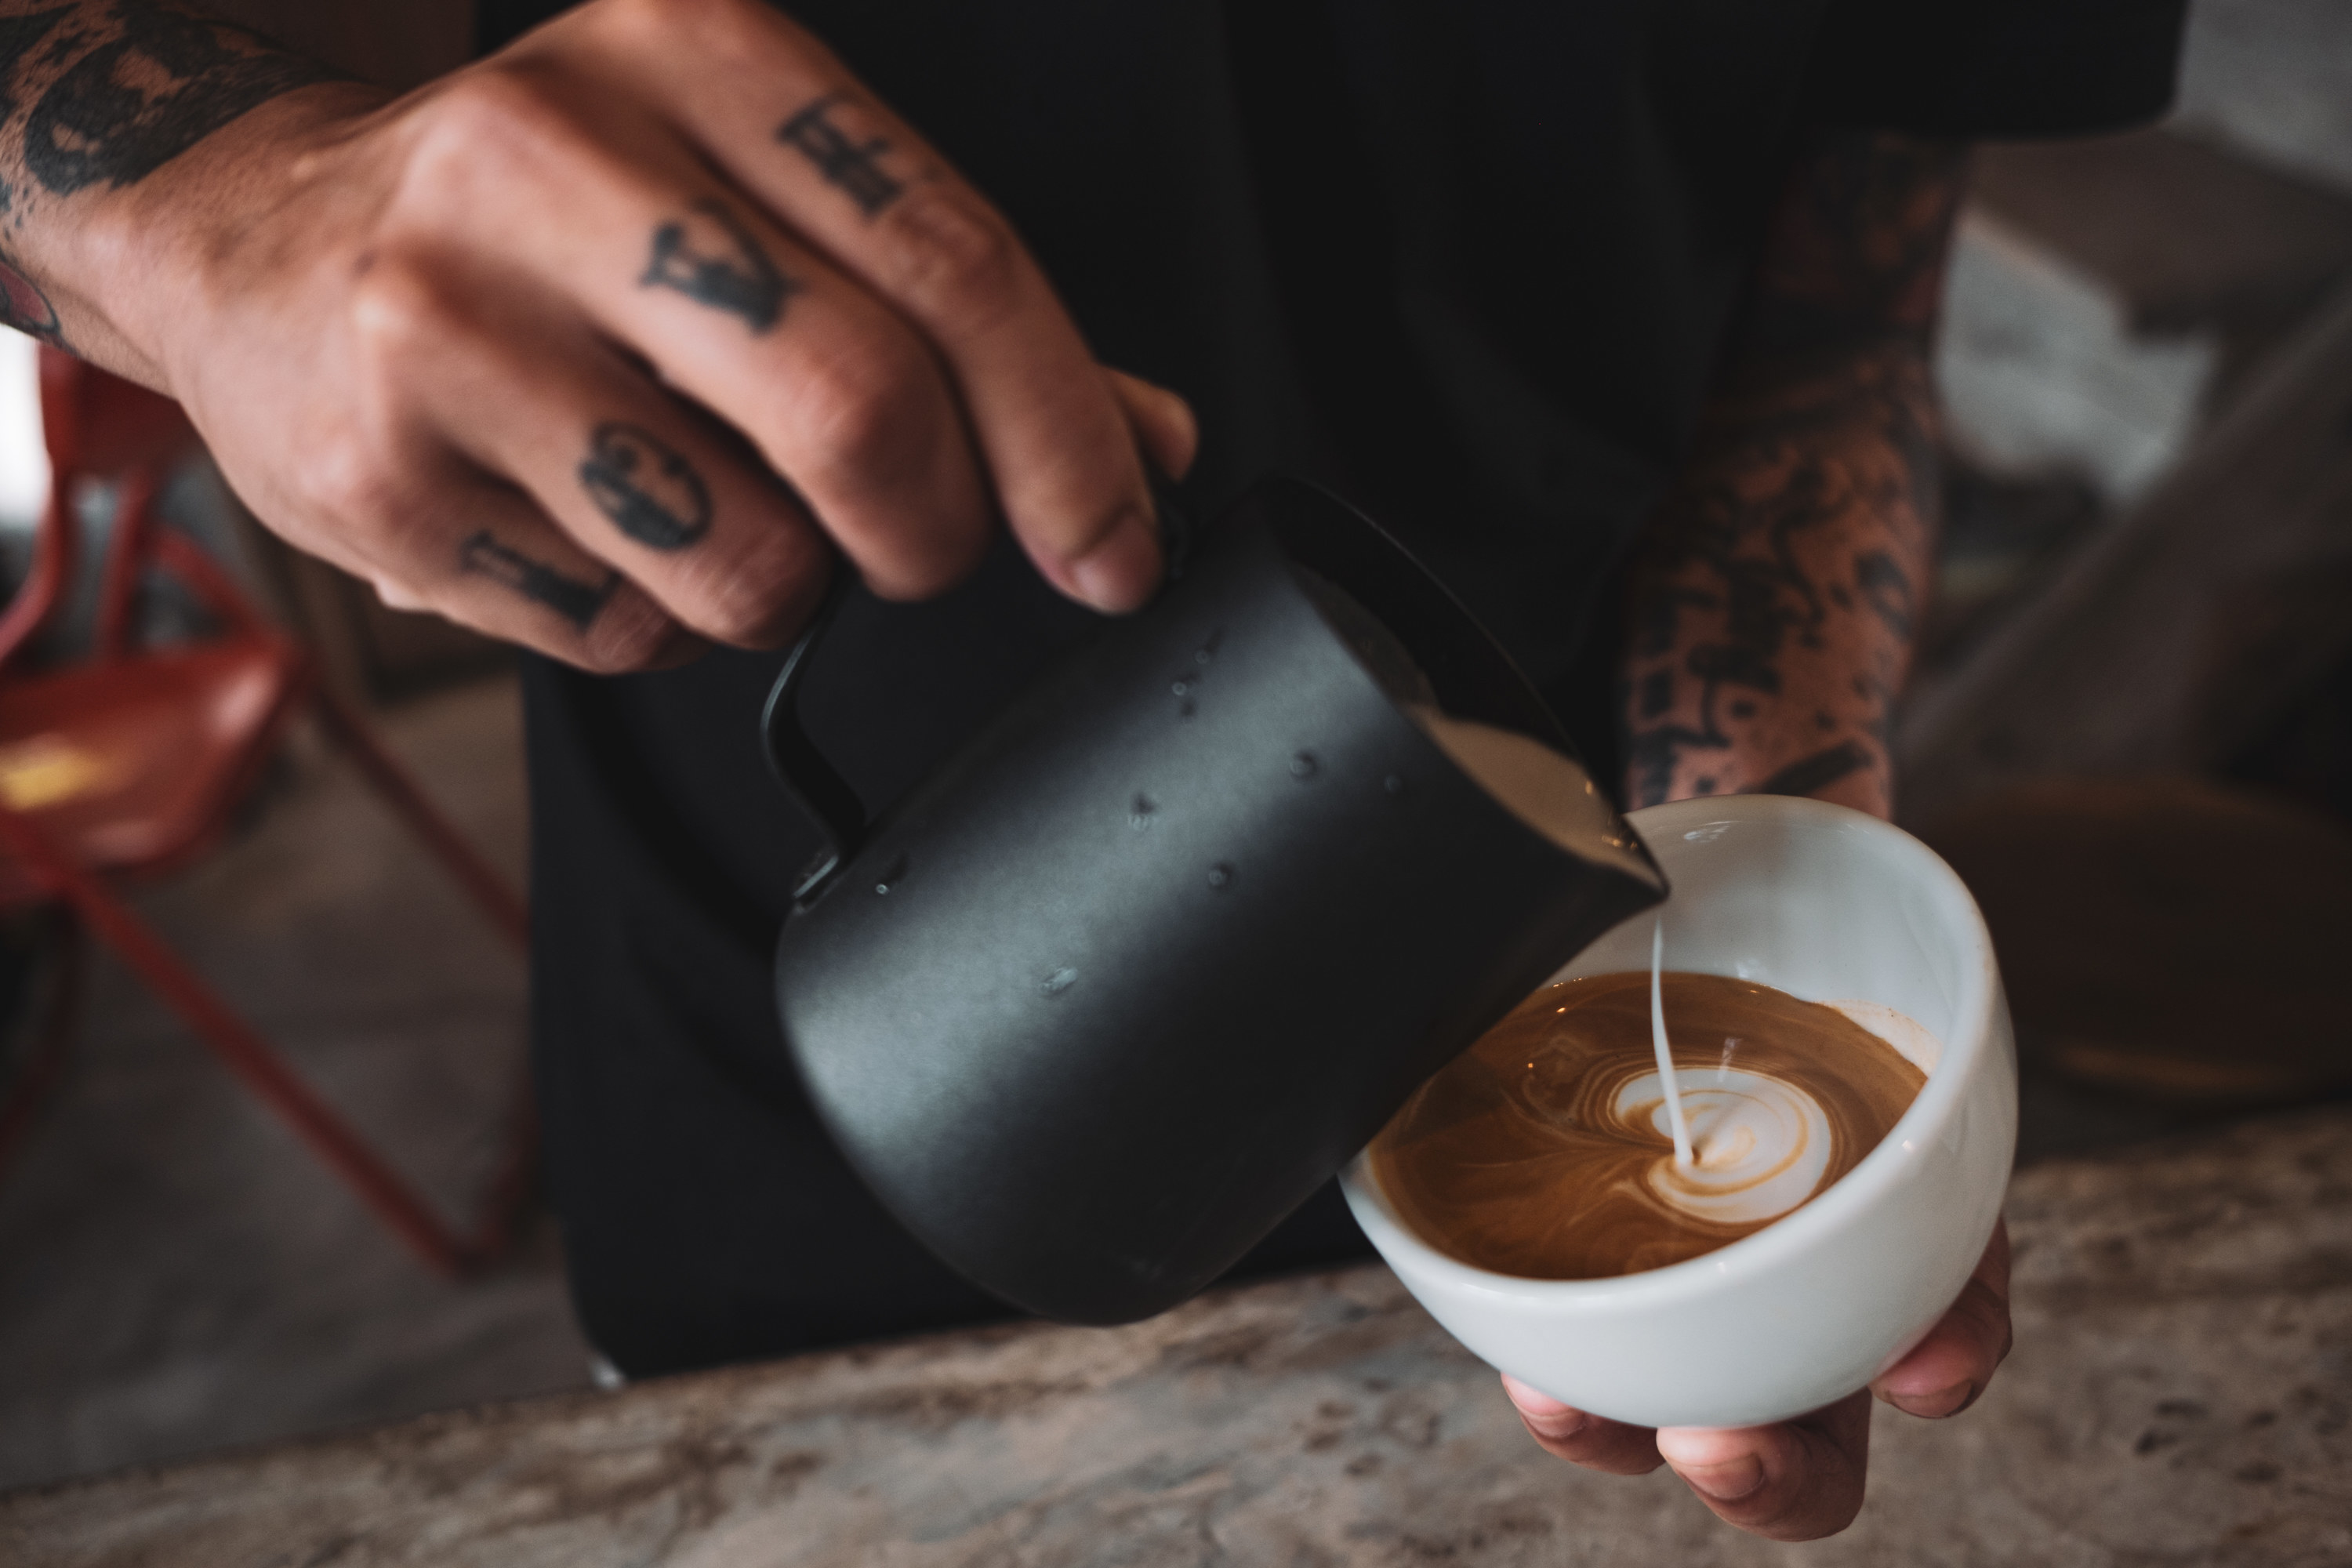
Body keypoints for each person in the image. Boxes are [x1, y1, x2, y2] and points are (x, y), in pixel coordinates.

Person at [0, 0, 2184, 1540]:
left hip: (1519, 988)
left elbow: (1831, 316)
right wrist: (208, 197)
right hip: (792, 1108)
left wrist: (1761, 850)